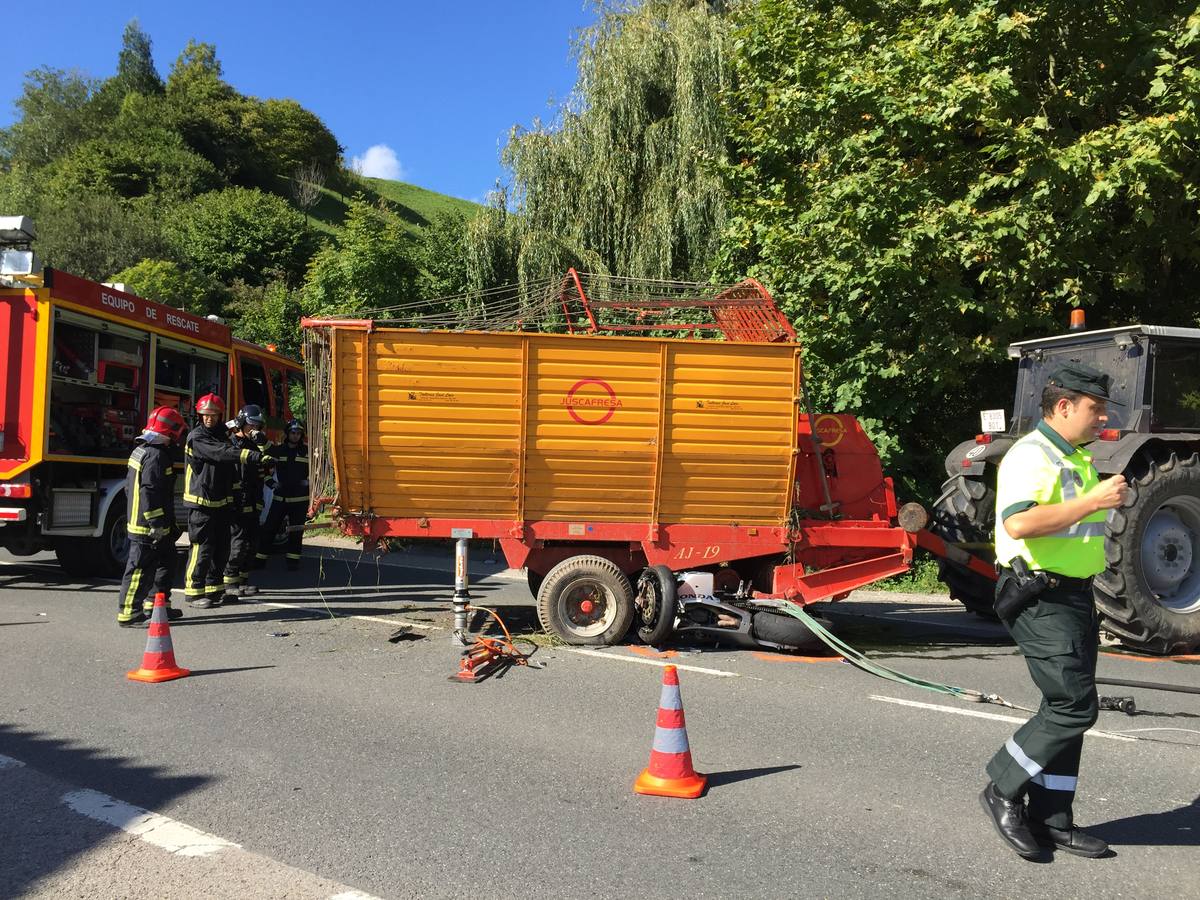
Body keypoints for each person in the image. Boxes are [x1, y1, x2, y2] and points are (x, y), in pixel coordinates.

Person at [980, 363, 1128, 860]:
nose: (1102, 416)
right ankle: (1002, 786)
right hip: (1040, 597)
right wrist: (1092, 502)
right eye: (1095, 407)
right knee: (1073, 706)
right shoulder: (1031, 455)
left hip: (1073, 597)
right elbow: (1020, 523)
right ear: (1063, 407)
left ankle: (1053, 820)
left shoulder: (1075, 456)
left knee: (1067, 710)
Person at [183, 394, 261, 609]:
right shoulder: (197, 437)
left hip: (221, 502)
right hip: (201, 502)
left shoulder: (220, 435)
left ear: (219, 415)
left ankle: (214, 589)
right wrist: (252, 456)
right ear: (200, 415)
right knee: (202, 548)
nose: (209, 419)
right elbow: (221, 454)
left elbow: (230, 473)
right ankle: (194, 592)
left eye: (213, 415)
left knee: (221, 548)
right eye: (205, 415)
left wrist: (235, 500)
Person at [117, 407, 189, 627]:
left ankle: (158, 605)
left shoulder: (142, 450)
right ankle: (129, 613)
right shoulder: (156, 455)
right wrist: (156, 523)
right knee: (139, 569)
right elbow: (150, 491)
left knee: (166, 561)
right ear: (172, 431)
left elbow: (132, 489)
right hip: (147, 526)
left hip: (151, 523)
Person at [221, 404, 272, 601]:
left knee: (252, 542)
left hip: (254, 497)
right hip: (238, 499)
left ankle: (242, 580)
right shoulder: (231, 444)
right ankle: (230, 581)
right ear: (242, 423)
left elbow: (271, 459)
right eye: (252, 426)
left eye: (259, 427)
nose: (255, 430)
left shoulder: (255, 444)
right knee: (238, 541)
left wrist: (264, 444)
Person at [258, 419, 309, 571]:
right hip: (280, 498)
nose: (296, 436)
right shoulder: (279, 450)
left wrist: (309, 484)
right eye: (293, 433)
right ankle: (259, 560)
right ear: (287, 434)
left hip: (300, 500)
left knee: (296, 532)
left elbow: (316, 471)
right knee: (269, 529)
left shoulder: (307, 452)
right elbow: (265, 466)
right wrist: (270, 483)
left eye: (299, 433)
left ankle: (293, 562)